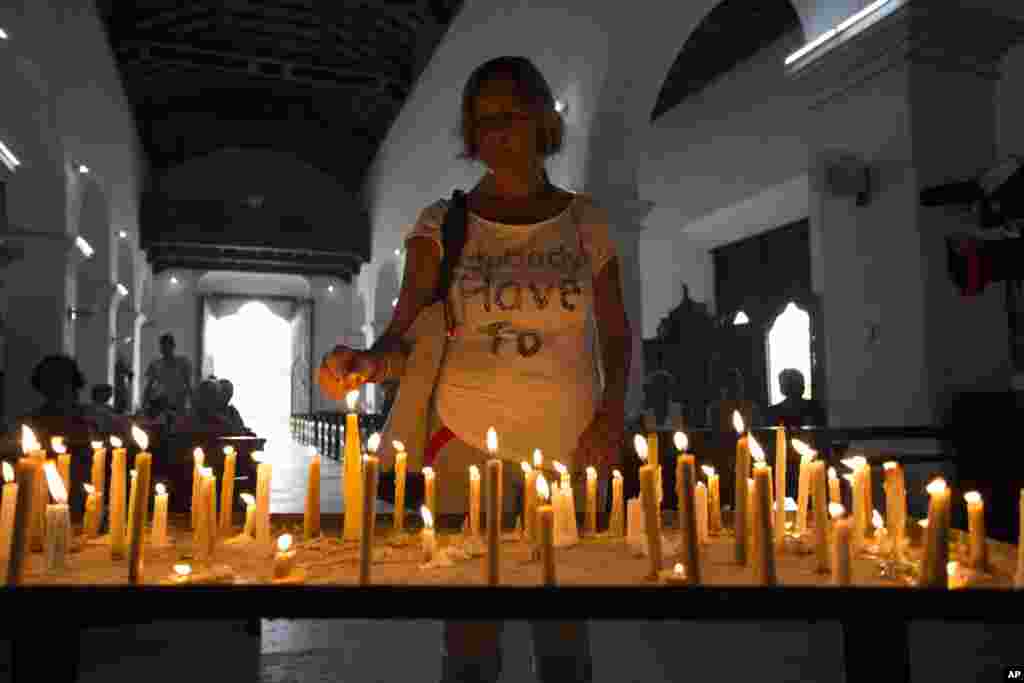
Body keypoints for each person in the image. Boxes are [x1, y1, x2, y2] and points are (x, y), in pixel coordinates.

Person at [318, 56, 631, 683]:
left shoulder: (585, 222)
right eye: (483, 121)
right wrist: (369, 361)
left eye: (509, 116)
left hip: (566, 442)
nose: (496, 133)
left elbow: (616, 333)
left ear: (543, 119)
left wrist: (612, 412)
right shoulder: (444, 223)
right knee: (470, 627)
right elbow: (404, 324)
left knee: (564, 627)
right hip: (463, 439)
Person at [143, 333, 193, 418]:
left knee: (177, 426)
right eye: (162, 345)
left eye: (167, 345)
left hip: (178, 402)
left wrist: (192, 404)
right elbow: (149, 386)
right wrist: (144, 403)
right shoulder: (155, 363)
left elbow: (188, 384)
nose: (164, 348)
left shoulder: (183, 362)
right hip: (160, 402)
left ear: (173, 346)